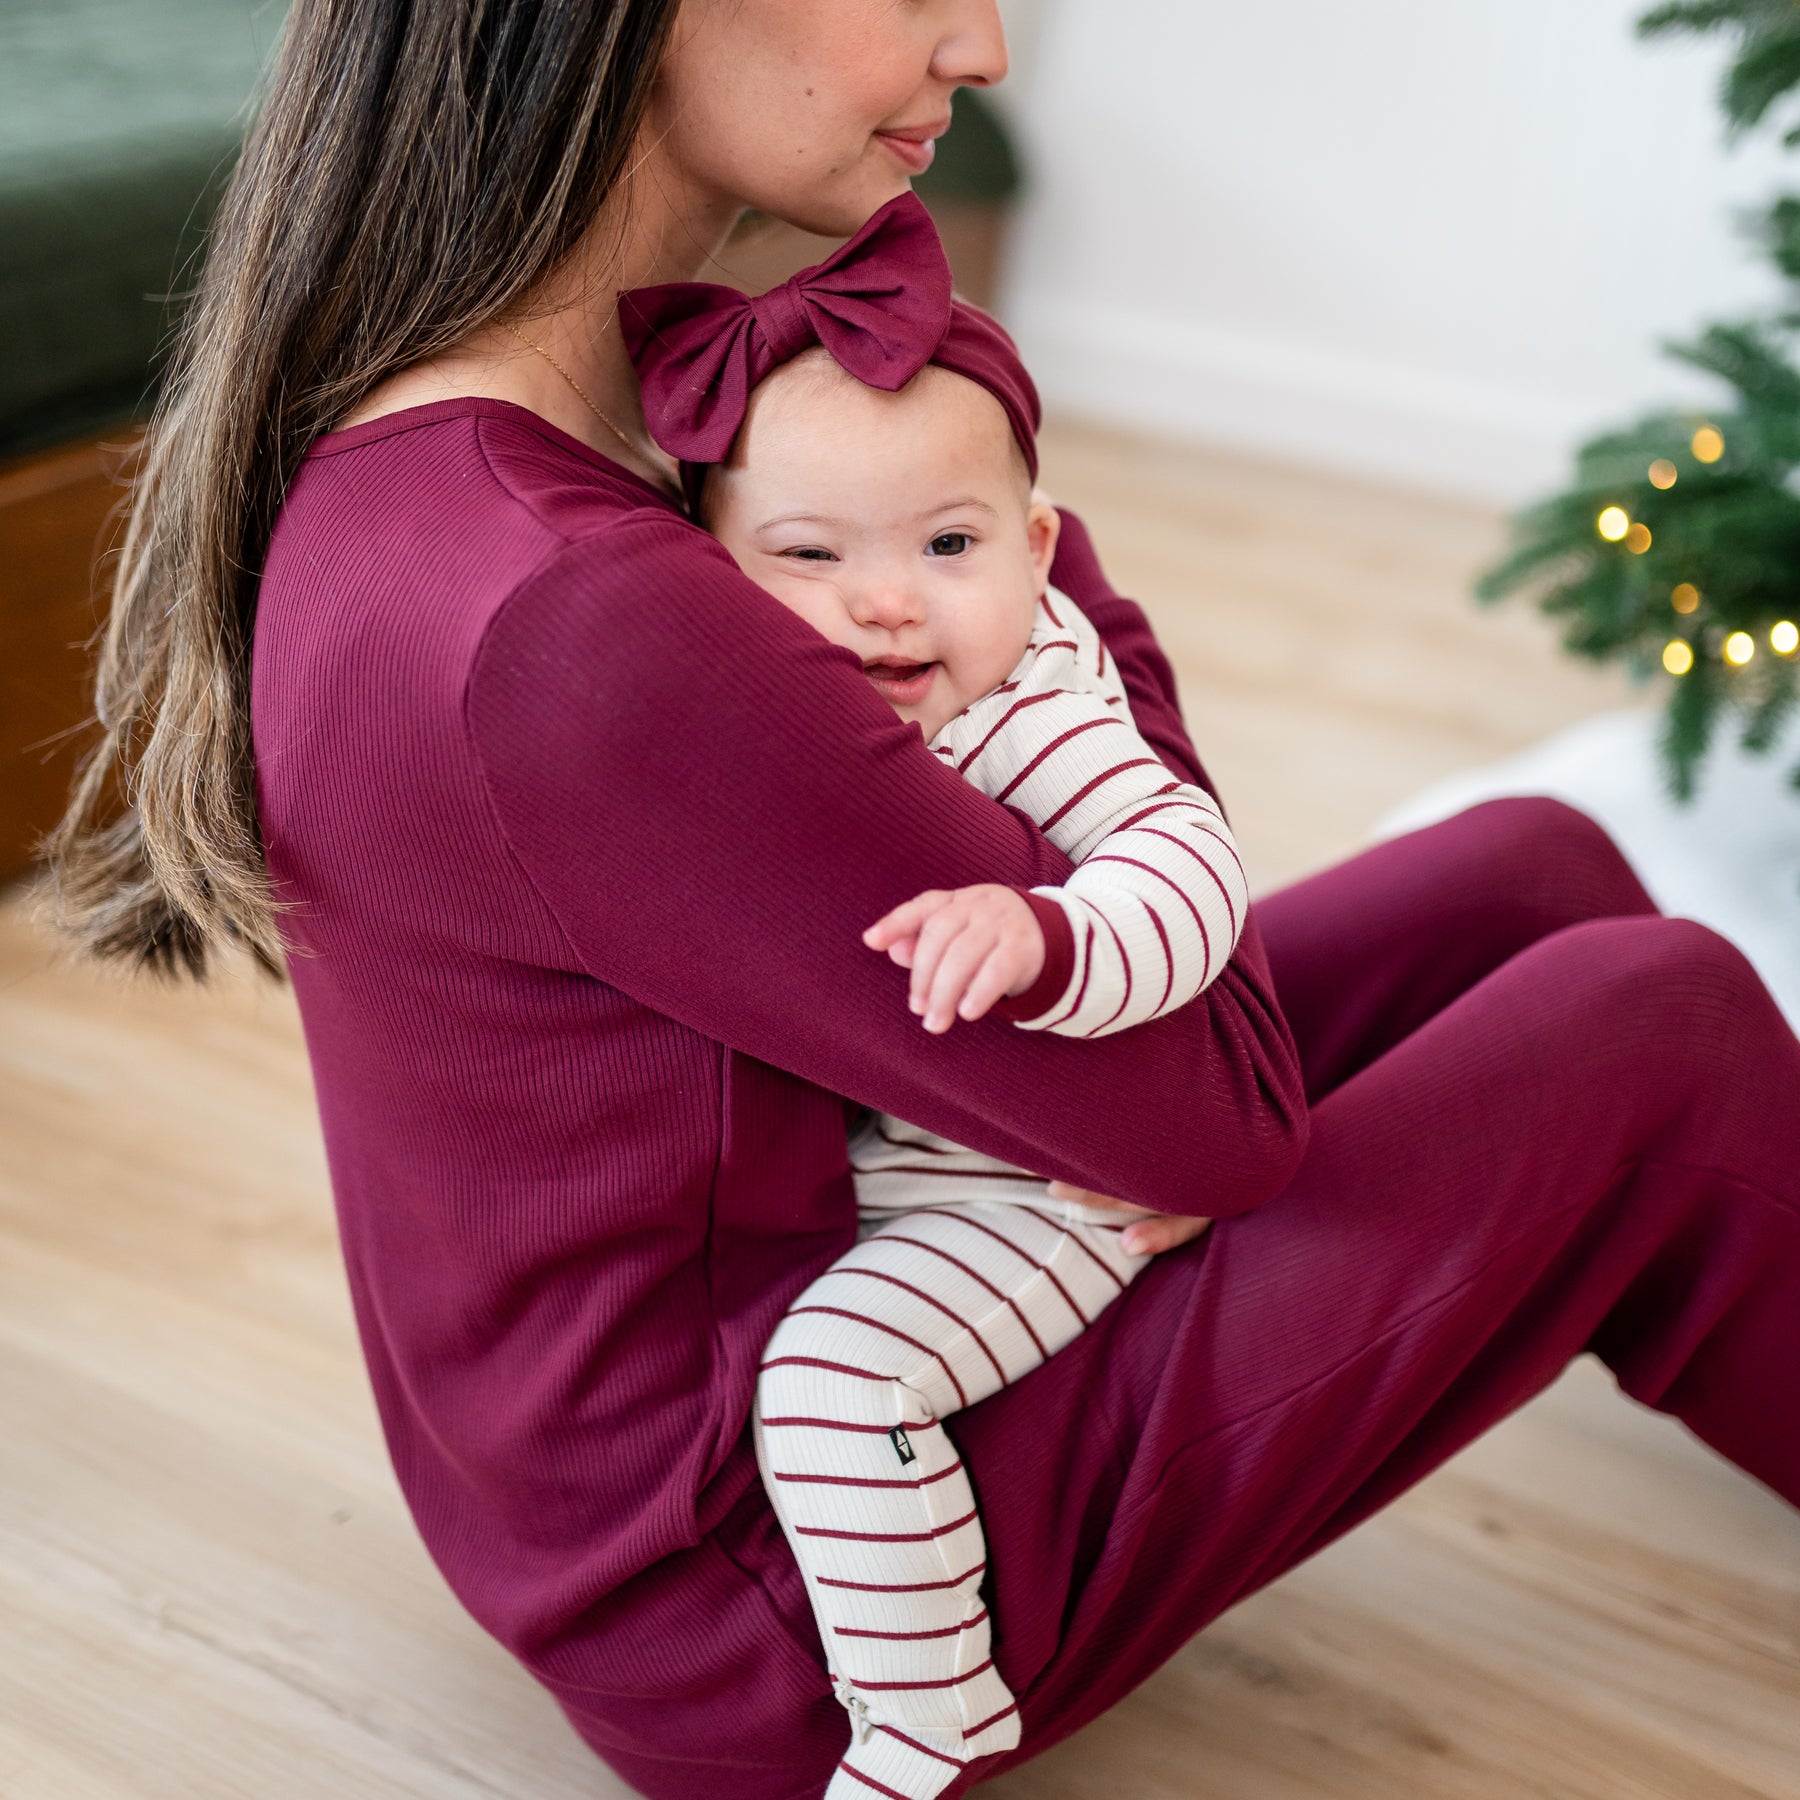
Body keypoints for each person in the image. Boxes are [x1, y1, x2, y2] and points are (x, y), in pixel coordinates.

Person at [41, 4, 1799, 1798]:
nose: (981, 45)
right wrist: (1035, 576)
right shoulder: (585, 617)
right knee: (1654, 1022)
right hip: (809, 1582)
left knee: (1539, 870)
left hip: (633, 1466)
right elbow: (1222, 1129)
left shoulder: (438, 452)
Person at [615, 190, 1250, 1796]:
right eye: (810, 559)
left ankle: (929, 1714)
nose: (890, 601)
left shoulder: (1028, 706)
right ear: (710, 575)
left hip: (1031, 1194)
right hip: (898, 1168)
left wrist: (1053, 935)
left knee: (834, 1379)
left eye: (949, 547)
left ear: (1038, 555)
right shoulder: (770, 713)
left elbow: (1189, 863)